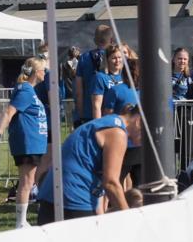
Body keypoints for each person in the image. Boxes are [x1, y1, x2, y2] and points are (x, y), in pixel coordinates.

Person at [36, 83, 143, 224]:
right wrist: (130, 220)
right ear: (139, 121)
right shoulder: (117, 133)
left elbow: (98, 179)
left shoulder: (109, 122)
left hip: (54, 196)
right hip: (72, 198)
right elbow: (111, 182)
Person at [0, 57, 48, 228]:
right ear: (36, 73)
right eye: (43, 69)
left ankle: (24, 220)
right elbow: (8, 112)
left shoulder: (28, 90)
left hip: (34, 142)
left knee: (30, 180)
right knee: (26, 182)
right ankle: (20, 222)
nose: (45, 72)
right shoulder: (25, 90)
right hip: (28, 143)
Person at [75, 24, 112, 126]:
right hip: (110, 112)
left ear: (94, 40)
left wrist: (80, 113)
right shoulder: (115, 58)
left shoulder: (84, 58)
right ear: (111, 40)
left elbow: (79, 91)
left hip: (88, 112)